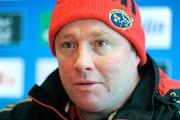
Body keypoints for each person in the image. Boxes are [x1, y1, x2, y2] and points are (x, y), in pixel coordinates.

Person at [0, 0, 180, 119]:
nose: (82, 63)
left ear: (135, 53)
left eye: (101, 43)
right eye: (68, 45)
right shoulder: (17, 116)